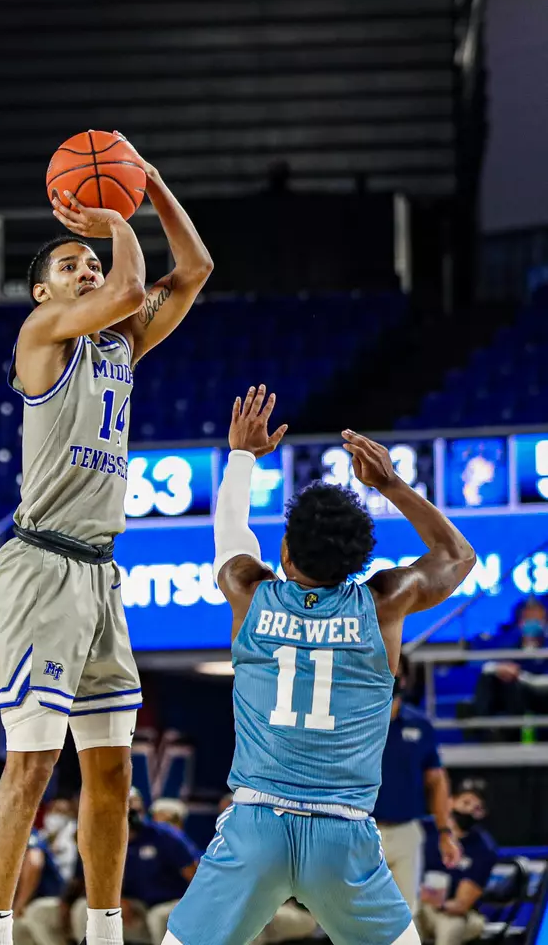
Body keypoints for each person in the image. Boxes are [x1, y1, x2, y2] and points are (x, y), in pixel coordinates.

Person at [0, 138, 213, 945]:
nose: (86, 272)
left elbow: (195, 271)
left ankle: (106, 931)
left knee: (112, 771)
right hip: (41, 565)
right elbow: (129, 285)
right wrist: (116, 219)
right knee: (33, 766)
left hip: (101, 574)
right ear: (44, 289)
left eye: (90, 262)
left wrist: (152, 184)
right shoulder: (44, 332)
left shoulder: (118, 344)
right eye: (70, 265)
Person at [164, 388, 477, 945]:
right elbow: (457, 557)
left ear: (284, 553)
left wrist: (241, 457)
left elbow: (230, 529)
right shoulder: (383, 603)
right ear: (360, 560)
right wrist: (392, 485)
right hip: (344, 835)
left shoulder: (248, 590)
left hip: (256, 826)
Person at [374, 654, 461, 911]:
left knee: (405, 914)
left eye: (396, 672)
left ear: (405, 679)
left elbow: (436, 780)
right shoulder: (352, 721)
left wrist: (445, 832)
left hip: (406, 830)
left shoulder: (420, 725)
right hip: (361, 830)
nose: (391, 678)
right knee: (357, 918)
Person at [71, 802, 200, 945]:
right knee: (85, 908)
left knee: (158, 917)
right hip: (139, 904)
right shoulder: (107, 842)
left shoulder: (165, 835)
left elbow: (194, 876)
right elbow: (100, 880)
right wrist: (118, 899)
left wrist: (195, 907)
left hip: (172, 901)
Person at [416, 780, 497, 945]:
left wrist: (434, 899)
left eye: (477, 808)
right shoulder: (425, 829)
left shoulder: (483, 848)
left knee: (450, 927)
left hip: (457, 914)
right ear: (451, 802)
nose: (469, 811)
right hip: (420, 906)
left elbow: (461, 904)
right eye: (466, 802)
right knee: (404, 918)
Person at [473, 597, 548, 738]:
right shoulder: (510, 646)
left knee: (519, 685)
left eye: (538, 619)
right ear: (520, 623)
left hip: (543, 694)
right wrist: (499, 668)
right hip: (516, 695)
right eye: (529, 619)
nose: (534, 623)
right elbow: (486, 666)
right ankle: (487, 728)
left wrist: (523, 676)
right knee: (491, 678)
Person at [40, 797, 79, 883]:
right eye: (53, 810)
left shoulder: (73, 832)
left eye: (61, 812)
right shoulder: (41, 834)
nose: (55, 815)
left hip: (61, 880)